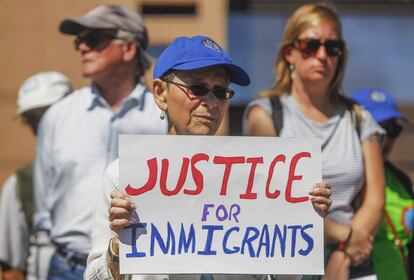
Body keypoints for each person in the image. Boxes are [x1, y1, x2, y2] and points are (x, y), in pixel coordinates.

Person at [84, 35, 332, 280]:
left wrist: (300, 216)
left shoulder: (256, 179)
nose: (211, 102)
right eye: (198, 88)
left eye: (221, 91)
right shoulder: (125, 175)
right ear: (160, 93)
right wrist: (118, 245)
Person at [243, 3, 385, 279]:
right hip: (290, 264)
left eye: (332, 47)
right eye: (311, 45)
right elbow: (270, 201)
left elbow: (375, 198)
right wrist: (344, 236)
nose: (322, 55)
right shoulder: (266, 115)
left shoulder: (359, 117)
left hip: (355, 264)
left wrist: (345, 253)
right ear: (289, 53)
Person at [33, 4, 167, 280]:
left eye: (92, 40)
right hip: (64, 267)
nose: (81, 48)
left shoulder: (164, 117)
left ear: (129, 48)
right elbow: (42, 204)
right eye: (79, 41)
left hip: (138, 268)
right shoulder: (58, 116)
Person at [0, 71, 72, 280]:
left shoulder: (107, 168)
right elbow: (12, 268)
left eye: (50, 116)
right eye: (34, 120)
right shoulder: (21, 183)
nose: (43, 127)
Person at [351, 88, 414, 280]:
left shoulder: (401, 180)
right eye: (377, 129)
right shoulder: (345, 183)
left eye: (393, 129)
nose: (386, 139)